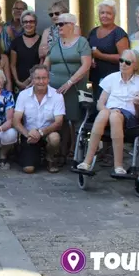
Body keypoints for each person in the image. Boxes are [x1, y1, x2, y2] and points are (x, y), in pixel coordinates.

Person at [76, 50, 139, 176]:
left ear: (135, 65)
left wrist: (137, 105)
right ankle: (86, 162)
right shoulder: (111, 78)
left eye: (127, 62)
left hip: (128, 117)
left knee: (115, 116)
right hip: (109, 112)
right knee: (104, 113)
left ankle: (118, 165)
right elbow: (100, 104)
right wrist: (107, 110)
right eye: (121, 60)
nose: (123, 64)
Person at [44, 13, 91, 163]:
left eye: (61, 24)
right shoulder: (55, 44)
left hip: (75, 87)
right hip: (55, 89)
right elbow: (46, 64)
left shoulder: (81, 42)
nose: (58, 27)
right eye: (58, 24)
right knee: (60, 119)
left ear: (71, 25)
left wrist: (70, 82)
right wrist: (38, 81)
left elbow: (86, 65)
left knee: (75, 119)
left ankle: (76, 152)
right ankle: (61, 152)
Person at [13, 65, 65, 173]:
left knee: (55, 138)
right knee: (28, 169)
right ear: (32, 79)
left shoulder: (57, 95)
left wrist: (40, 133)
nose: (41, 81)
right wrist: (28, 134)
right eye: (37, 78)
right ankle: (32, 157)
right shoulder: (23, 95)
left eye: (44, 78)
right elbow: (16, 121)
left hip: (47, 133)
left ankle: (50, 159)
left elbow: (59, 123)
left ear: (48, 79)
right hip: (29, 134)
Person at [88, 0, 129, 102]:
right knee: (97, 105)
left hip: (113, 78)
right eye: (102, 13)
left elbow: (124, 57)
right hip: (96, 76)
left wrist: (100, 55)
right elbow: (88, 51)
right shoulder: (93, 31)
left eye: (108, 13)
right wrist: (91, 60)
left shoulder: (118, 33)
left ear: (114, 15)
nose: (105, 16)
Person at [9, 10, 42, 93]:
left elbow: (42, 63)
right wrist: (17, 82)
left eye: (31, 21)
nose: (28, 24)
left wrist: (31, 80)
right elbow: (12, 65)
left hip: (37, 82)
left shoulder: (42, 41)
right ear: (22, 24)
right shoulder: (16, 42)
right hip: (20, 84)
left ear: (36, 23)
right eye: (25, 22)